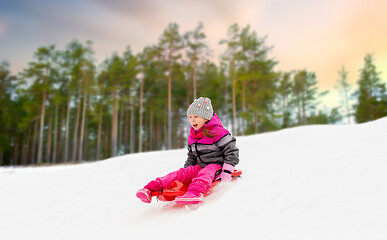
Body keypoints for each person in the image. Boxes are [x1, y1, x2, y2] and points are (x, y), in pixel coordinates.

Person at [136, 97, 239, 204]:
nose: (192, 120)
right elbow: (192, 156)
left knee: (205, 173)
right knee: (179, 174)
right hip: (200, 166)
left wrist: (226, 172)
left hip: (217, 166)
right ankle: (150, 188)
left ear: (206, 118)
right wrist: (186, 175)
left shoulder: (218, 132)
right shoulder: (193, 135)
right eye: (190, 117)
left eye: (196, 116)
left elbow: (232, 152)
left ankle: (195, 193)